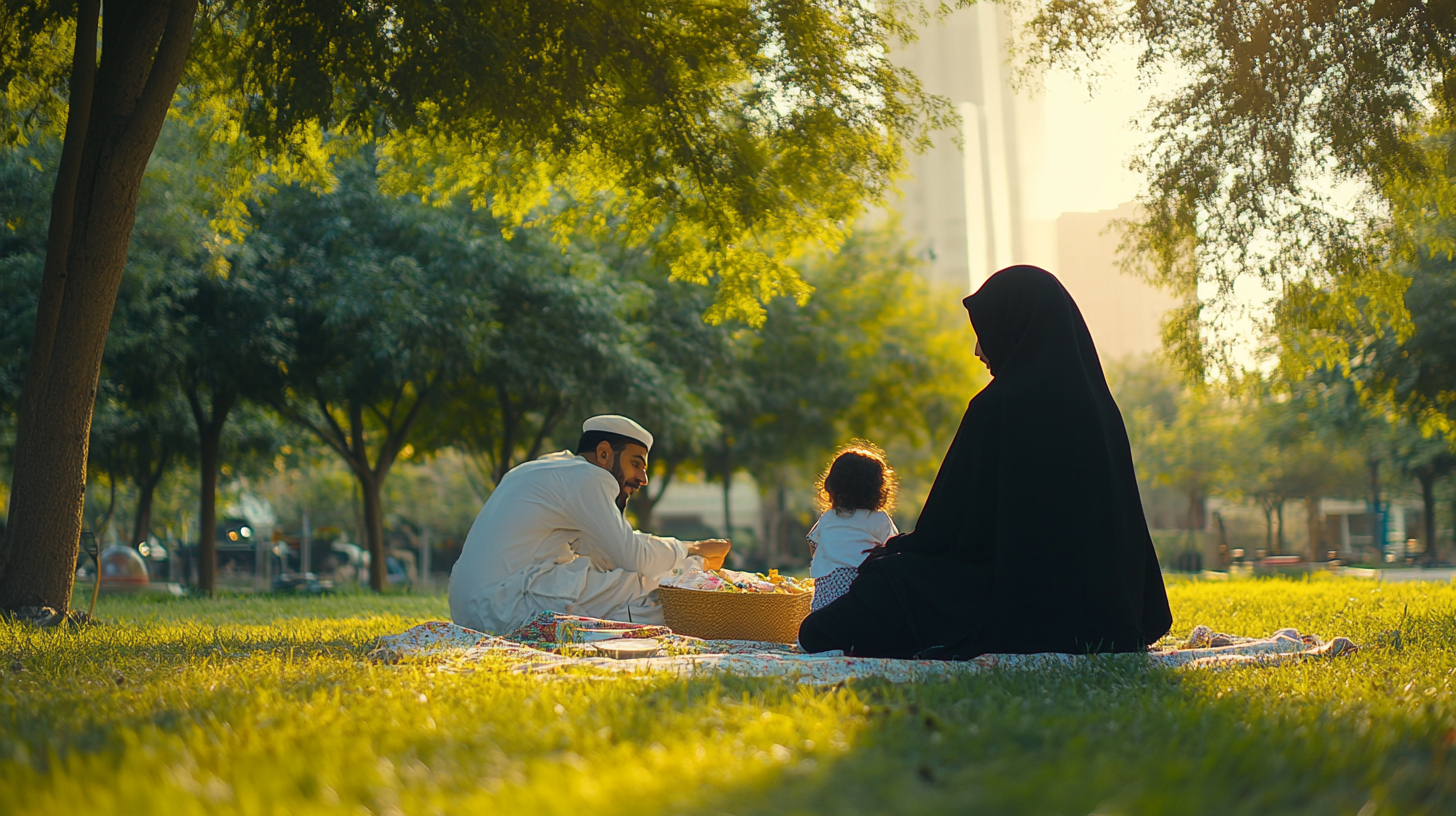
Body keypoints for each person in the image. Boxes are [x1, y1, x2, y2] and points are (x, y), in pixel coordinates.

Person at [798, 265, 1173, 659]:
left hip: (1017, 601)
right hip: (1105, 613)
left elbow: (951, 534)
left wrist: (893, 551)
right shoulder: (1101, 411)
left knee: (875, 590)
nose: (978, 350)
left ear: (1015, 327)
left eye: (984, 334)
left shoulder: (998, 406)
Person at [448, 415, 731, 633]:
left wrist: (683, 556)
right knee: (645, 585)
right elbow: (633, 557)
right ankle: (712, 597)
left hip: (474, 606)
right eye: (637, 463)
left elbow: (606, 553)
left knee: (627, 580)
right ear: (605, 453)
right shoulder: (590, 477)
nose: (643, 478)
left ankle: (699, 583)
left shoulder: (550, 469)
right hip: (505, 605)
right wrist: (693, 550)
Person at [806, 442, 899, 612]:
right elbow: (892, 548)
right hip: (862, 590)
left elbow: (813, 543)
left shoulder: (829, 517)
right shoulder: (879, 519)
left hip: (827, 591)